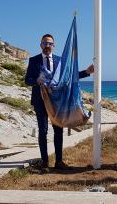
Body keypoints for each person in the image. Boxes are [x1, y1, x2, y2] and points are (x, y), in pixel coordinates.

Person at [25, 34, 94, 172]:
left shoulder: (60, 60)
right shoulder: (34, 61)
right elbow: (27, 80)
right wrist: (36, 81)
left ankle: (59, 161)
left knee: (58, 130)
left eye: (50, 43)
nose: (47, 45)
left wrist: (86, 72)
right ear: (41, 45)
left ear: (53, 46)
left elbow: (69, 76)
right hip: (40, 100)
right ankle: (45, 162)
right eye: (45, 43)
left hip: (57, 102)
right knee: (43, 131)